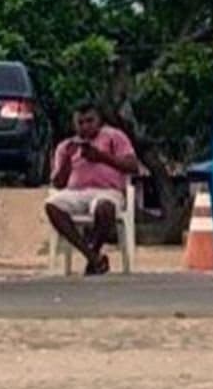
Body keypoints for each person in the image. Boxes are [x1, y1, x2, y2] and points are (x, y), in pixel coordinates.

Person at [43, 103, 140, 276]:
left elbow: (133, 166)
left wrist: (101, 157)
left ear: (99, 120)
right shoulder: (66, 146)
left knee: (105, 208)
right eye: (80, 123)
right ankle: (93, 258)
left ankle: (93, 253)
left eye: (90, 121)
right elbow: (58, 184)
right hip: (76, 193)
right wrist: (66, 160)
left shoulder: (114, 136)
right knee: (52, 206)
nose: (85, 127)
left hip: (107, 191)